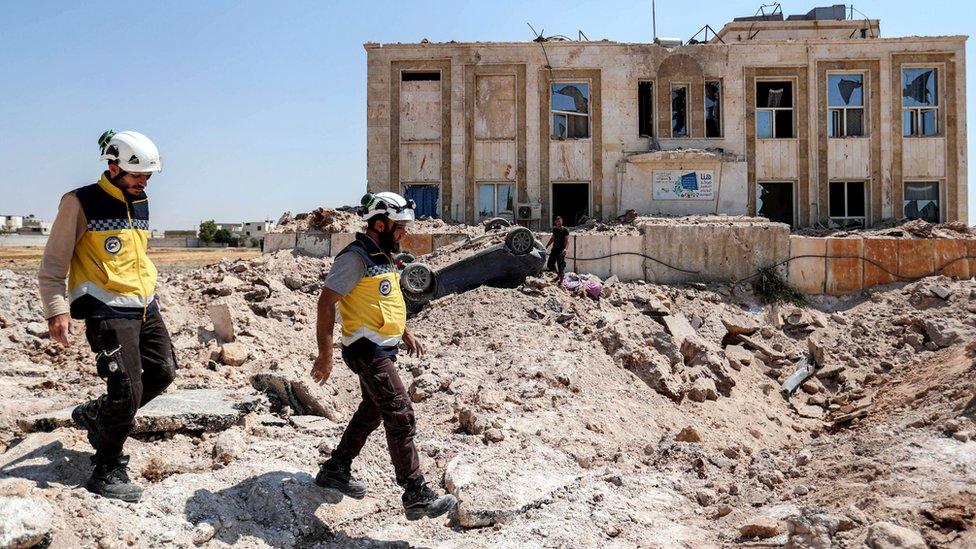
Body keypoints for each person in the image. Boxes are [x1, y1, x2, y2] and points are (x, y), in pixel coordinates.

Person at [38, 130, 174, 503]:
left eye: (147, 176)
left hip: (144, 304)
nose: (143, 182)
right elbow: (54, 261)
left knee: (163, 373)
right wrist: (56, 308)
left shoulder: (140, 199)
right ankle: (107, 467)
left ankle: (99, 415)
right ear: (113, 166)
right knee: (126, 389)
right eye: (136, 175)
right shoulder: (79, 202)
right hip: (104, 308)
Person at [310, 192, 457, 521]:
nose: (405, 232)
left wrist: (404, 331)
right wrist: (325, 354)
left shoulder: (382, 255)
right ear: (380, 224)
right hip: (366, 349)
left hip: (381, 347)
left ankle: (336, 468)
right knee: (400, 411)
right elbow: (326, 301)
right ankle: (415, 491)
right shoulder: (355, 257)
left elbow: (384, 299)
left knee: (372, 410)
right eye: (400, 226)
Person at [545, 215, 570, 284]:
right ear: (555, 222)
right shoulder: (555, 229)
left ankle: (560, 282)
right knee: (550, 264)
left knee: (560, 266)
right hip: (554, 249)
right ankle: (558, 275)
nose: (559, 222)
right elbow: (552, 238)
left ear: (562, 221)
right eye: (557, 221)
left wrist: (565, 249)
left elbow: (567, 241)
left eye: (560, 221)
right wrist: (546, 246)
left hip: (561, 251)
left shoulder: (565, 230)